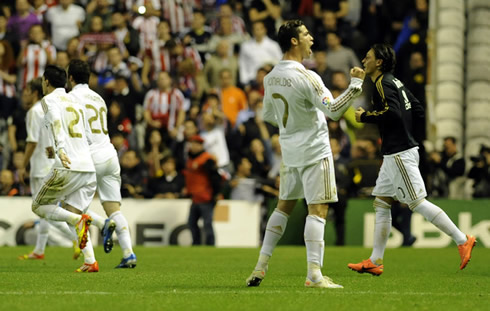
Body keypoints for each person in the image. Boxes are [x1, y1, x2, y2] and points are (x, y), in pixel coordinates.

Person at [246, 19, 365, 289]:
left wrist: (291, 127)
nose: (312, 38)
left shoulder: (271, 76)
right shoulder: (307, 76)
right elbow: (334, 111)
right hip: (314, 149)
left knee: (283, 207)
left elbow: (267, 115)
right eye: (306, 34)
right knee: (318, 209)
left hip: (289, 150)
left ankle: (260, 266)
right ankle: (314, 274)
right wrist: (355, 85)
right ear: (294, 41)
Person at [349, 44, 476, 276]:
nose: (363, 60)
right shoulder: (395, 81)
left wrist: (365, 116)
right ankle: (375, 260)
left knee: (417, 203)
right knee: (382, 203)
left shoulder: (382, 83)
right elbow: (417, 109)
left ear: (379, 62)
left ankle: (462, 239)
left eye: (367, 57)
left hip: (399, 153)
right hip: (395, 153)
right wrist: (407, 134)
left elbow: (394, 112)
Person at [67, 59, 137, 268]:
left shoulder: (70, 98)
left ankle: (90, 260)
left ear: (70, 78)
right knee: (114, 209)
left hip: (89, 158)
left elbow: (73, 131)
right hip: (109, 155)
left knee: (72, 211)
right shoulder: (99, 98)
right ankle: (128, 254)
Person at [32, 65, 97, 272]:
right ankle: (90, 261)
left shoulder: (49, 100)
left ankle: (79, 221)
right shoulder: (75, 100)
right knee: (71, 212)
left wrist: (60, 150)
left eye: (43, 80)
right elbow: (85, 132)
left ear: (47, 82)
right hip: (88, 167)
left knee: (38, 207)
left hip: (68, 164)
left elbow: (57, 122)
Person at [17, 78, 80, 261]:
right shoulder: (50, 108)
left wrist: (22, 165)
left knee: (42, 209)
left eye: (27, 90)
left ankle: (76, 237)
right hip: (53, 163)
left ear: (35, 92)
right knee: (47, 209)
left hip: (39, 168)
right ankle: (39, 250)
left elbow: (32, 141)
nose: (24, 94)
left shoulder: (34, 111)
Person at [184, 135, 222, 246]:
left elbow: (215, 177)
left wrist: (216, 193)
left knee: (207, 223)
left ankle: (210, 245)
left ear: (201, 146)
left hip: (206, 197)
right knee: (191, 223)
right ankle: (196, 244)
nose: (193, 146)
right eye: (192, 144)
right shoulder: (191, 159)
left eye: (196, 144)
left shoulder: (207, 159)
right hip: (195, 197)